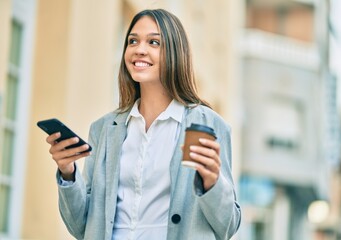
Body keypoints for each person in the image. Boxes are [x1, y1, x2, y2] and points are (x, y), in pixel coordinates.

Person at [46, 9, 241, 240]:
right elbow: (81, 226)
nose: (140, 49)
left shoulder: (203, 124)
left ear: (176, 52)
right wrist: (68, 173)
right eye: (133, 41)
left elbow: (228, 226)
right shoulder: (106, 129)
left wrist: (212, 183)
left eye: (154, 42)